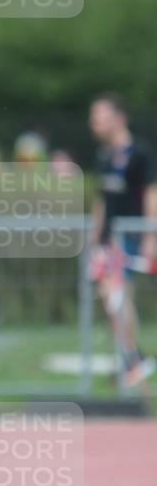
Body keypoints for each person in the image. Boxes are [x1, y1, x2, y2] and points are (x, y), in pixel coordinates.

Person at [89, 93, 157, 389]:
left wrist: (149, 234)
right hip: (108, 241)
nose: (94, 124)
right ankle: (132, 359)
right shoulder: (103, 156)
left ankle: (132, 359)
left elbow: (151, 193)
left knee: (116, 294)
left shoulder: (141, 152)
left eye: (100, 117)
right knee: (114, 297)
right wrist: (93, 237)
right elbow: (102, 199)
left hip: (130, 236)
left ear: (119, 118)